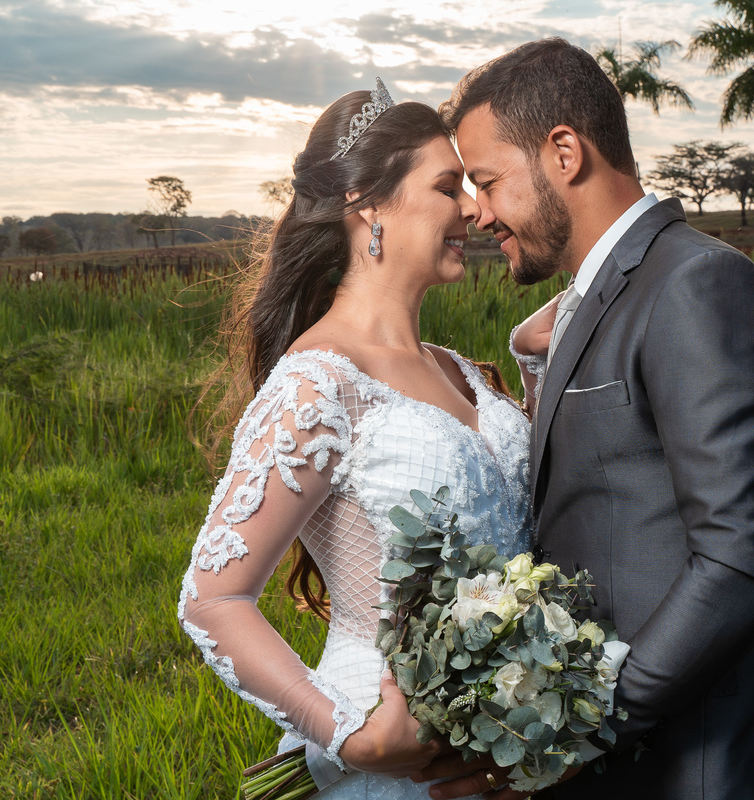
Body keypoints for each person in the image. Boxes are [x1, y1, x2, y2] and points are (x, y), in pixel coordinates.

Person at [416, 38, 754, 800]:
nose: (476, 212)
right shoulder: (597, 300)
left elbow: (746, 556)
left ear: (563, 153)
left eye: (486, 181)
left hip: (714, 759)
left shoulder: (697, 287)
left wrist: (587, 723)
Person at [177, 78, 534, 798]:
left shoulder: (456, 368)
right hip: (394, 744)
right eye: (446, 187)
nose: (471, 207)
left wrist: (539, 361)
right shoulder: (317, 386)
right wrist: (350, 736)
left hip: (502, 744)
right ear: (368, 204)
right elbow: (211, 599)